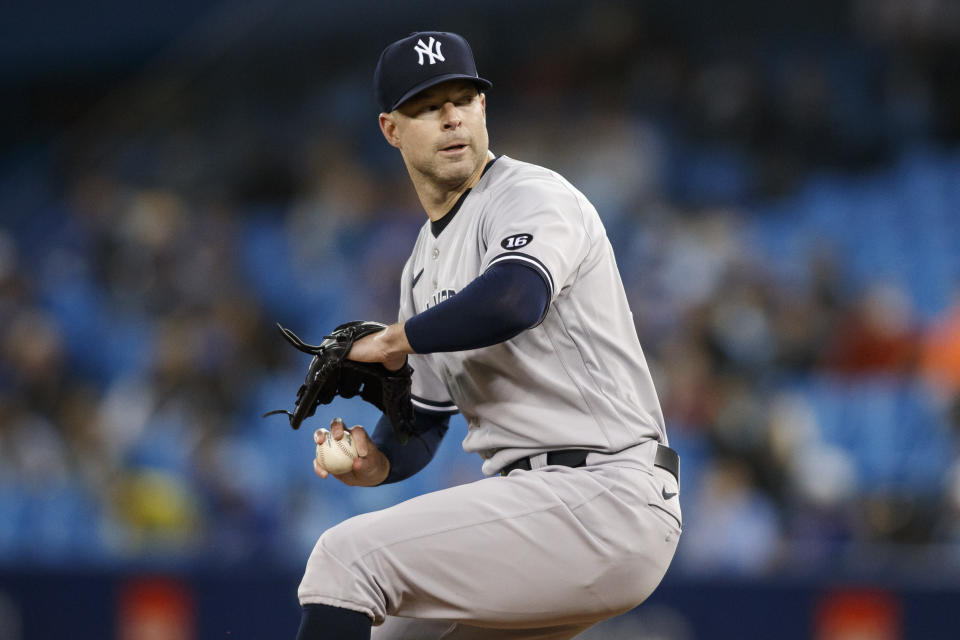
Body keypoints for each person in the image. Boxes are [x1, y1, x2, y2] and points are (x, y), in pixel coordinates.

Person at [294, 31, 681, 640]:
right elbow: (423, 419)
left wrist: (393, 341)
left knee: (344, 560)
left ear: (483, 109)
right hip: (540, 509)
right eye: (427, 107)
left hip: (603, 492)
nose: (450, 118)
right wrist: (374, 462)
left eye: (463, 99)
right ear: (391, 130)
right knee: (390, 631)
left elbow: (513, 299)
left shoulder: (530, 195)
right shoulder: (421, 265)